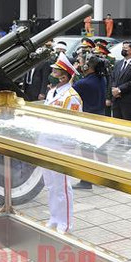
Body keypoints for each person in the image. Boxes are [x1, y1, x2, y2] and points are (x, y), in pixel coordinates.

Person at [43, 53, 83, 233]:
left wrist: (69, 149)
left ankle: (65, 222)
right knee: (50, 184)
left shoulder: (71, 96)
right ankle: (54, 217)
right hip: (47, 142)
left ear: (64, 75)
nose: (52, 72)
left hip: (61, 145)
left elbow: (74, 125)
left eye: (55, 70)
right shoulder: (53, 92)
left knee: (62, 186)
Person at [72, 53, 108, 190]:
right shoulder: (101, 78)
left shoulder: (83, 83)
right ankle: (104, 178)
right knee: (100, 149)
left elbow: (71, 90)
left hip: (88, 119)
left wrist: (74, 73)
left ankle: (86, 181)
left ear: (88, 66)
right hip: (99, 116)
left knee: (86, 150)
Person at [110, 41, 131, 141]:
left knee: (129, 123)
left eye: (125, 48)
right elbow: (113, 77)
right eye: (122, 48)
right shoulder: (119, 63)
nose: (123, 50)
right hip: (116, 99)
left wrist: (119, 90)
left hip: (128, 99)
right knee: (117, 122)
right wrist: (114, 89)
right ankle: (118, 141)